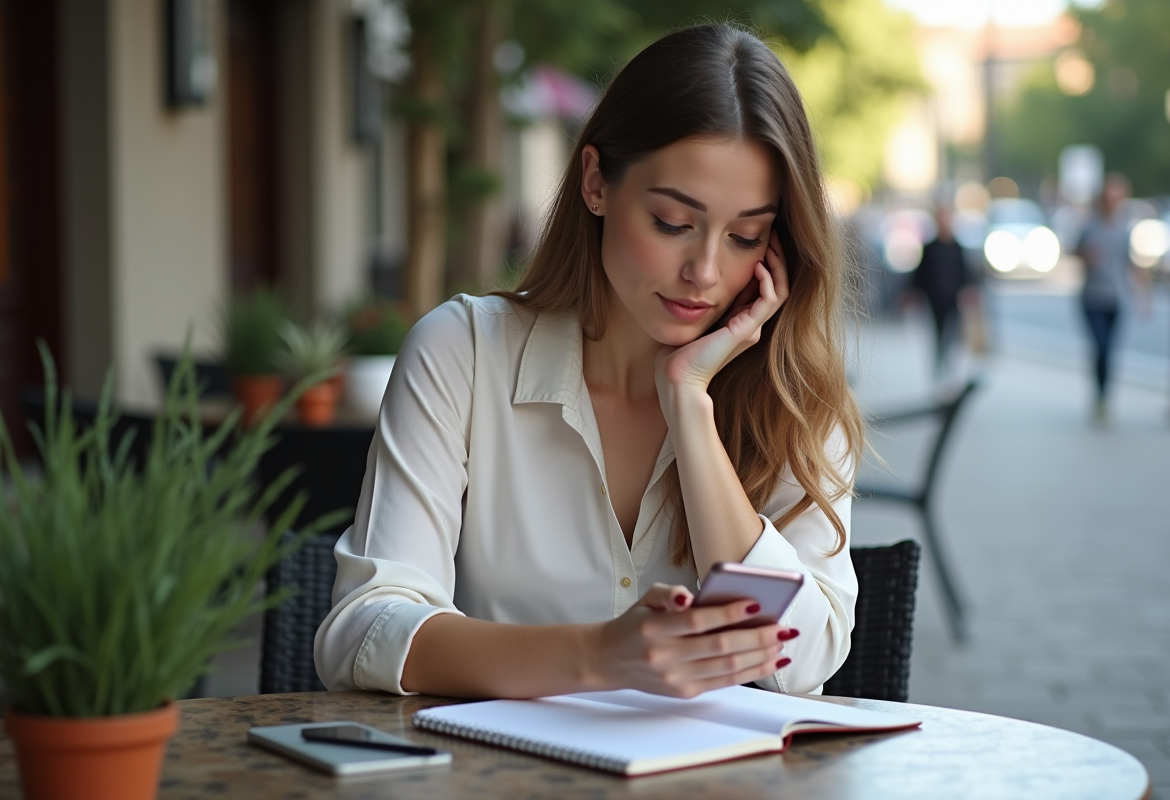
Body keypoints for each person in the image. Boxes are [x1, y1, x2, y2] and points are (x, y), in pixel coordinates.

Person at [315, 23, 863, 700]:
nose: (704, 271)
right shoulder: (464, 352)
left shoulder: (794, 397)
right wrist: (600, 655)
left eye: (745, 236)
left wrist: (689, 406)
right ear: (596, 182)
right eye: (672, 223)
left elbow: (803, 662)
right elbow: (363, 630)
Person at [1075, 174, 1150, 422]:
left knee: (1110, 350)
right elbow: (1075, 251)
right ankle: (1100, 394)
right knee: (1100, 347)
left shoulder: (1124, 227)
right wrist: (1087, 256)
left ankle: (1104, 396)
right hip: (1093, 297)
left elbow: (1132, 263)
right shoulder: (1090, 225)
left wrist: (1144, 296)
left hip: (1116, 298)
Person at [909, 205, 976, 378]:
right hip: (934, 297)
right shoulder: (930, 247)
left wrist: (969, 291)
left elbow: (965, 272)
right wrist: (913, 293)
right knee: (938, 332)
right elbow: (920, 273)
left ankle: (950, 365)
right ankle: (939, 365)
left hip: (953, 297)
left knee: (953, 333)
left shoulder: (957, 247)